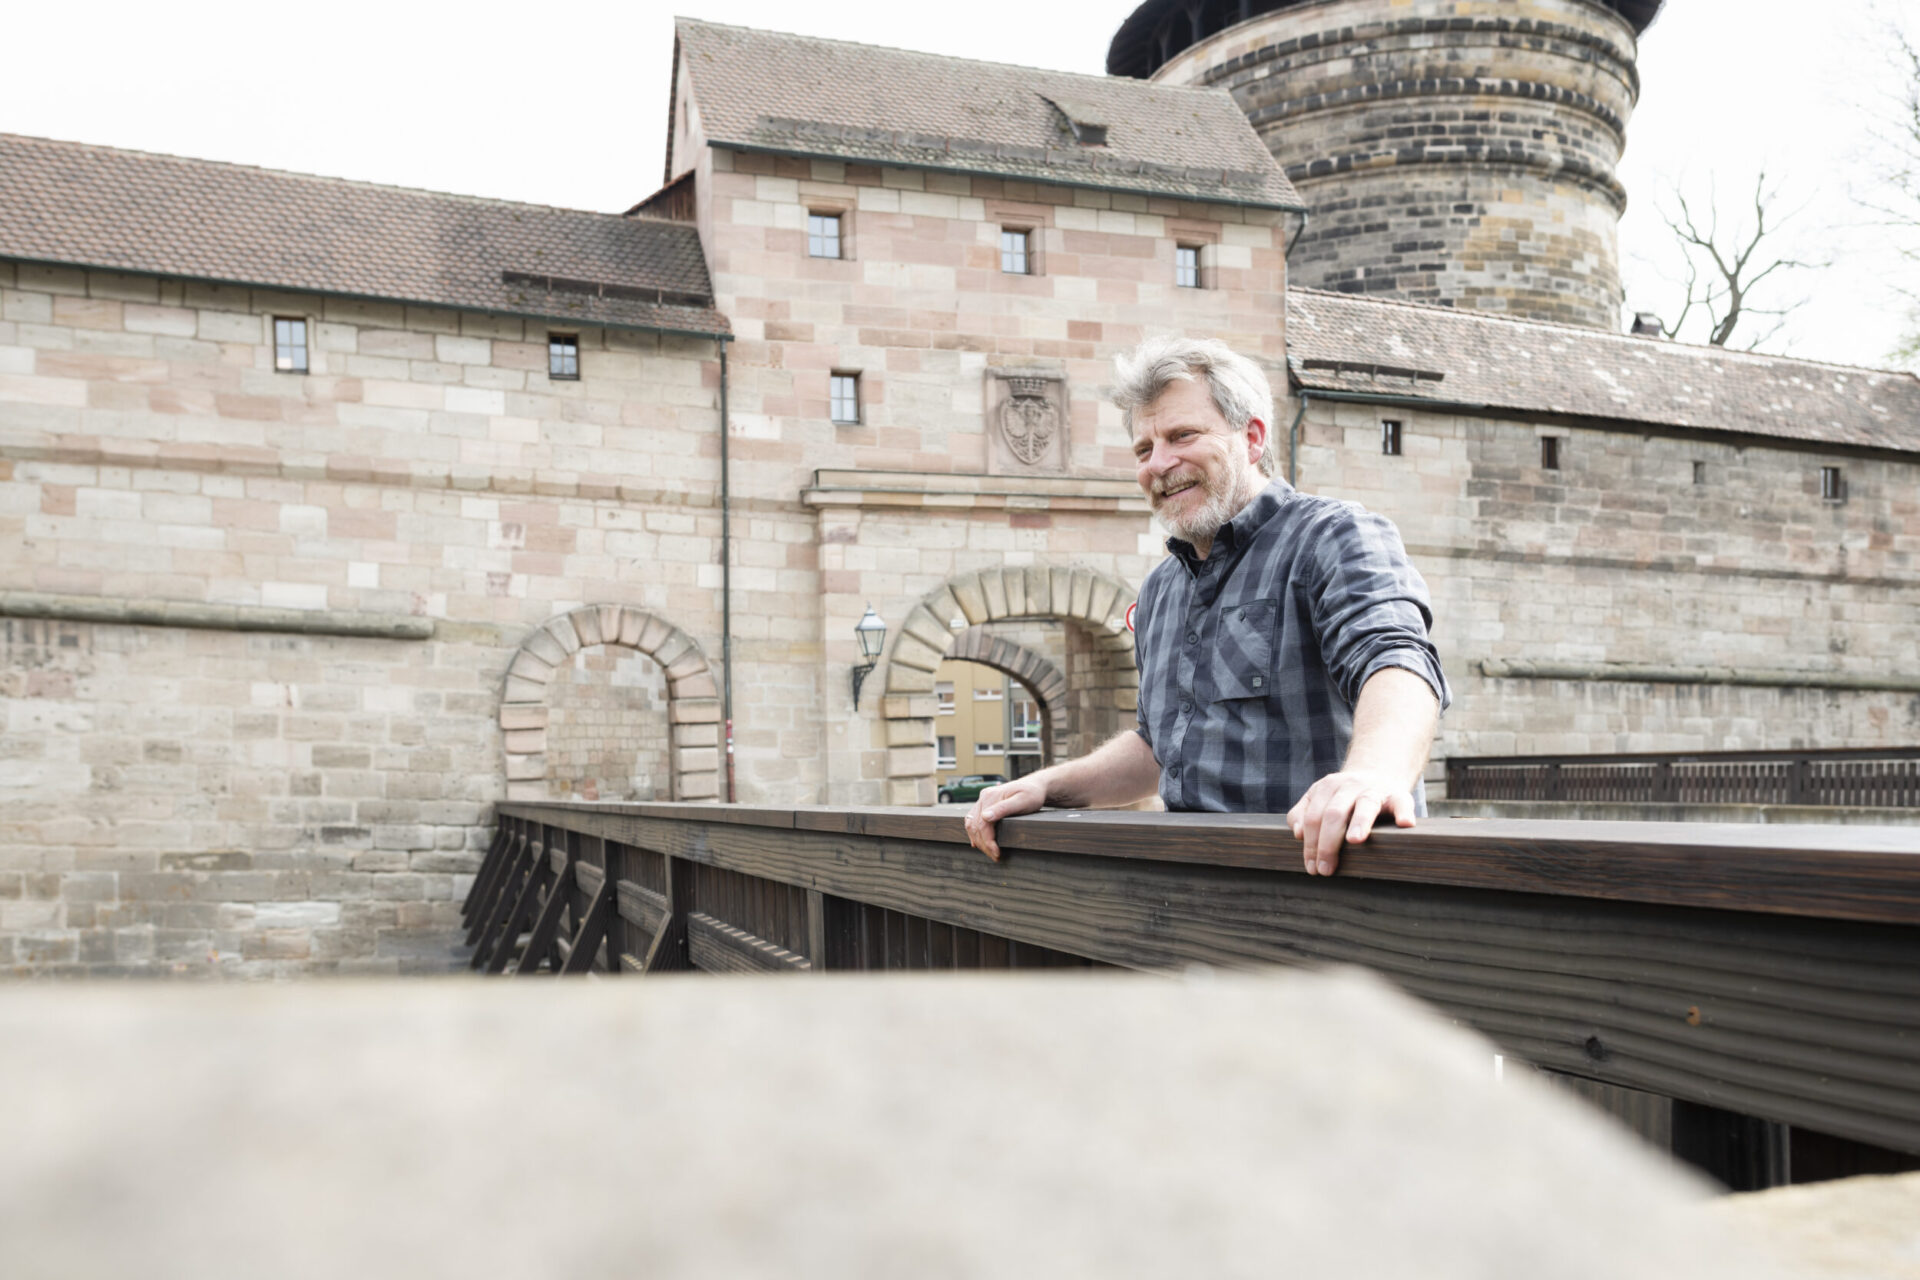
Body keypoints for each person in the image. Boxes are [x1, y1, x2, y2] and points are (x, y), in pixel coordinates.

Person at [965, 336, 1449, 875]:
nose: (1160, 463)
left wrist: (1375, 775)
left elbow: (1397, 661)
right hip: (1203, 898)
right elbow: (1157, 749)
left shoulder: (1334, 535)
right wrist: (1047, 785)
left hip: (1329, 882)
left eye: (1182, 435)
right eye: (1144, 449)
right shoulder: (1160, 591)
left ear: (1253, 437)